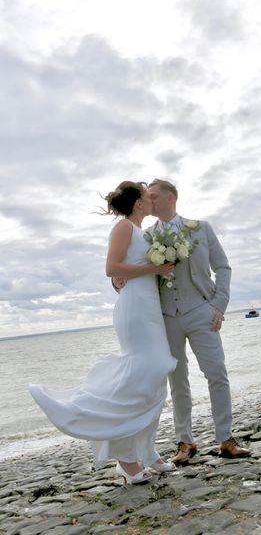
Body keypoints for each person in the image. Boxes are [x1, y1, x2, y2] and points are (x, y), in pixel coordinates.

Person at [29, 181, 178, 484]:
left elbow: (128, 267)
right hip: (135, 309)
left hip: (148, 307)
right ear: (137, 203)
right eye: (146, 197)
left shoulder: (141, 231)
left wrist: (154, 269)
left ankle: (148, 453)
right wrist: (154, 269)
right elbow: (112, 268)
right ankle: (124, 458)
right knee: (143, 375)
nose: (151, 200)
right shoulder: (123, 227)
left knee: (155, 379)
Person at [115, 179, 250, 465]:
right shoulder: (146, 236)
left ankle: (226, 439)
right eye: (146, 197)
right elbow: (130, 269)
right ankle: (185, 442)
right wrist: (119, 282)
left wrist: (219, 304)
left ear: (170, 198)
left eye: (153, 196)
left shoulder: (201, 228)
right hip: (165, 318)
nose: (148, 201)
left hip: (202, 310)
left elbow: (223, 266)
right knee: (177, 382)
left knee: (216, 373)